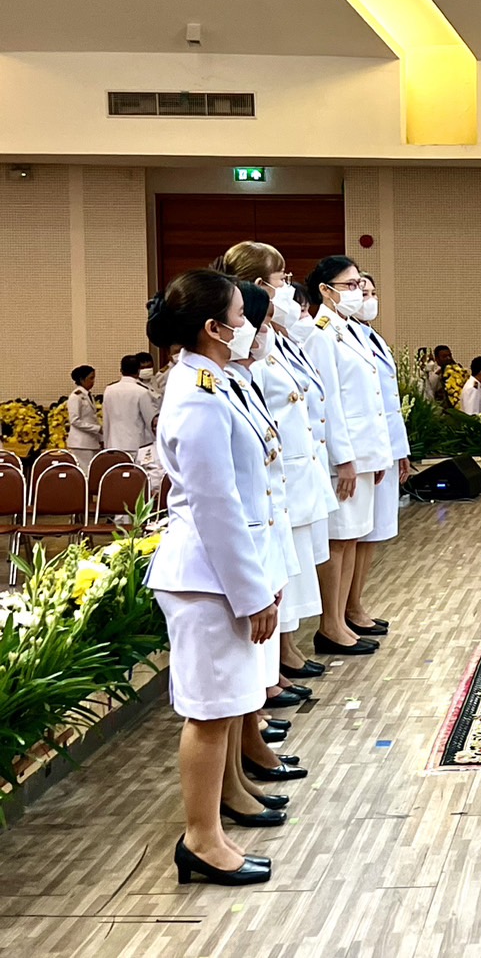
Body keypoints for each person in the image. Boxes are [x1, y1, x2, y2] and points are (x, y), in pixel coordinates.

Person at [144, 269, 277, 886]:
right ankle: (200, 839)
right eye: (239, 312)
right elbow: (215, 502)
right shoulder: (196, 392)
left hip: (222, 567)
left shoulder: (216, 382)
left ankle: (213, 829)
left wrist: (262, 578)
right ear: (214, 327)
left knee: (223, 707)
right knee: (210, 711)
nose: (248, 321)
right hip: (204, 574)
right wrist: (251, 590)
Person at [220, 242, 335, 684]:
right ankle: (270, 677)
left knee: (290, 574)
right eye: (281, 277)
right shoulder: (225, 370)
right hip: (271, 481)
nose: (289, 285)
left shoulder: (279, 339)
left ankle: (280, 665)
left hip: (289, 477)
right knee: (273, 580)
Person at [303, 256, 391, 656]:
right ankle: (330, 625)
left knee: (354, 536)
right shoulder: (321, 333)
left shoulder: (349, 330)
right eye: (351, 284)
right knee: (339, 539)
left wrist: (378, 455)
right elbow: (329, 402)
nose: (358, 291)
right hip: (345, 454)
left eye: (359, 284)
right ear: (326, 289)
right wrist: (345, 458)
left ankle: (346, 615)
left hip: (365, 451)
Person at [348, 273, 410, 637]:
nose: (368, 298)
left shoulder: (373, 337)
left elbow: (390, 403)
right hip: (362, 449)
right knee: (356, 534)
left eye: (372, 292)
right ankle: (346, 609)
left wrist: (400, 450)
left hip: (383, 445)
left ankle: (356, 603)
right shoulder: (338, 336)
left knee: (372, 533)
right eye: (360, 290)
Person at [102, 353, 158, 455]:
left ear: (121, 371)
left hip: (114, 444)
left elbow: (106, 420)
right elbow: (150, 421)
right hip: (137, 445)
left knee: (117, 470)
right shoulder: (141, 391)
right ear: (138, 371)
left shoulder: (109, 390)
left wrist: (106, 444)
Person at [65, 366, 103, 472]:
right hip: (81, 443)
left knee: (92, 472)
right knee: (85, 472)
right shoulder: (76, 396)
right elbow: (74, 420)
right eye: (91, 378)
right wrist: (97, 429)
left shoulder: (88, 395)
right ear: (82, 380)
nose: (93, 381)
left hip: (91, 441)